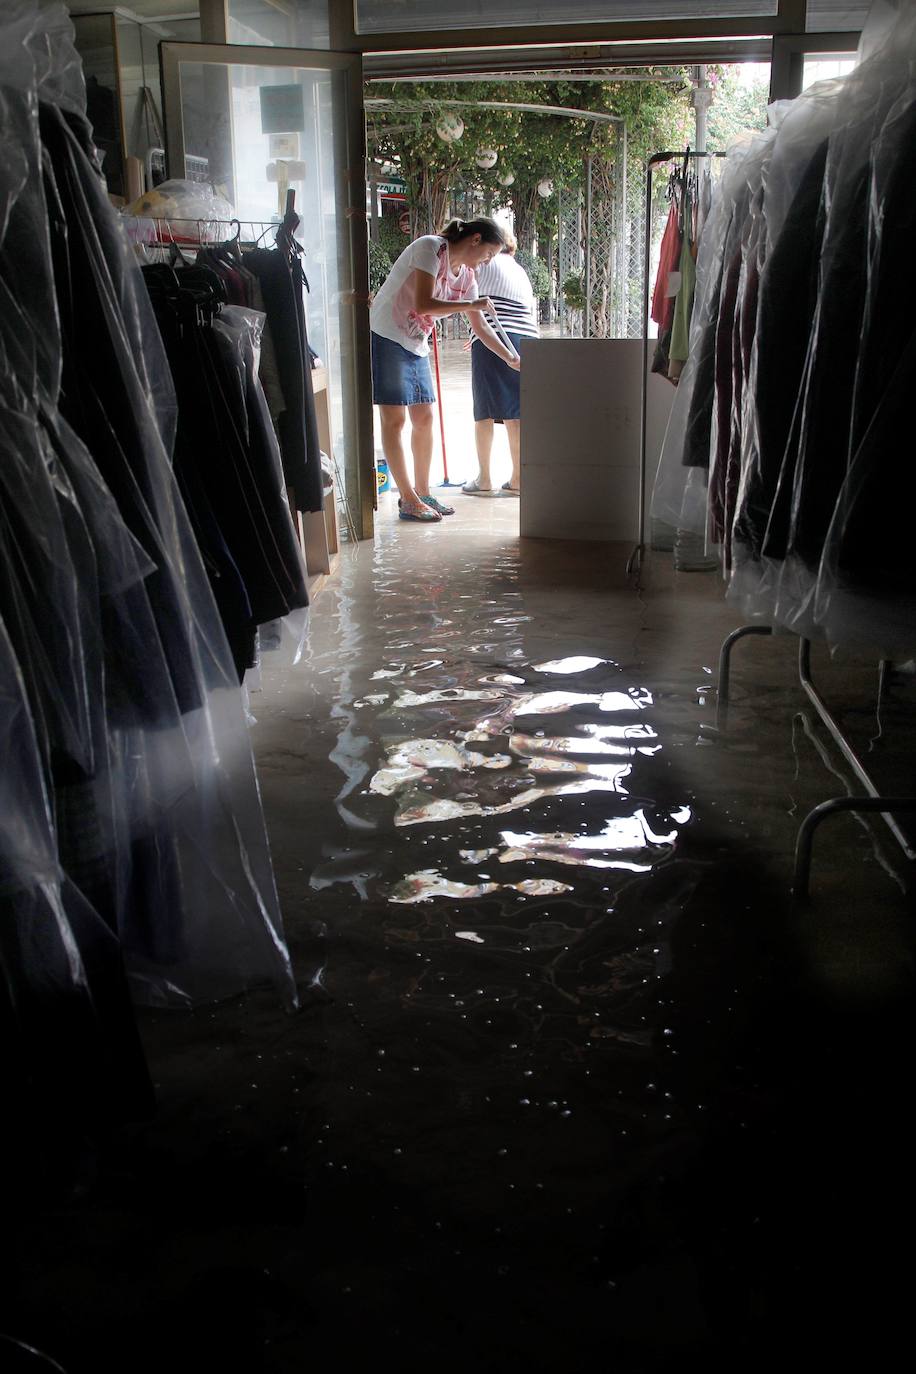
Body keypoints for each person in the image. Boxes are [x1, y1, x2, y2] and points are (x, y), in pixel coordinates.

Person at [370, 217, 520, 522]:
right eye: (489, 254)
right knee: (395, 420)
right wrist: (471, 305)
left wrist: (509, 357)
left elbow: (480, 327)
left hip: (415, 342)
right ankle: (408, 499)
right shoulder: (430, 248)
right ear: (475, 240)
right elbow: (424, 304)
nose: (487, 262)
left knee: (424, 418)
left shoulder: (466, 276)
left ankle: (422, 491)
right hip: (387, 333)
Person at [462, 232, 539, 498]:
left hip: (493, 336)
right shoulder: (520, 271)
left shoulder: (483, 261)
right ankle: (518, 479)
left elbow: (471, 303)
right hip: (526, 338)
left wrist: (476, 336)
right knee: (515, 412)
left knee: (483, 411)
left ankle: (484, 479)